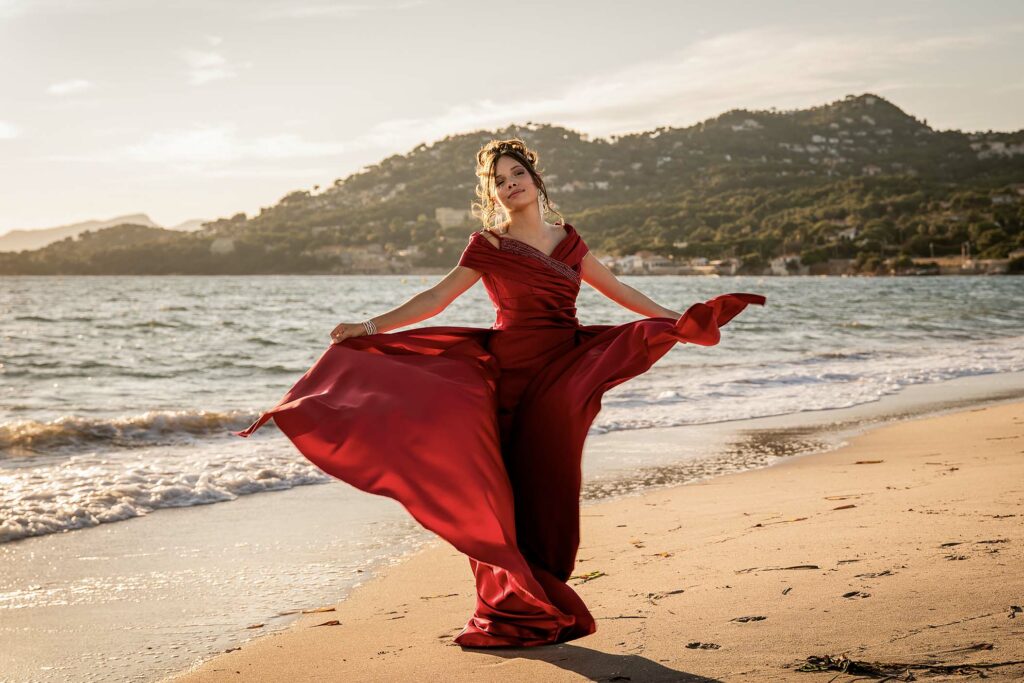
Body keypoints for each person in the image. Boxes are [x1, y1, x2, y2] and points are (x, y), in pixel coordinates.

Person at [233, 137, 766, 649]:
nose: (511, 185)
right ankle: (513, 606)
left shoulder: (570, 242)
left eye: (518, 175)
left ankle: (541, 595)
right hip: (509, 375)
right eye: (500, 181)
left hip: (563, 370)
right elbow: (436, 298)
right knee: (503, 493)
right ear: (491, 194)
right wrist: (371, 327)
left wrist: (680, 321)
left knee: (550, 485)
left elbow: (622, 293)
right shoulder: (488, 244)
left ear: (536, 180)